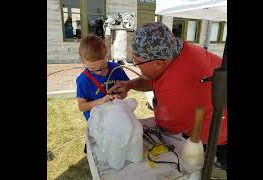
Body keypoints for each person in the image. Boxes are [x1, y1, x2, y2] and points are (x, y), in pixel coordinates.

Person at [108, 22, 227, 171]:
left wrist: (157, 105)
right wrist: (129, 85)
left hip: (218, 131)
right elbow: (153, 80)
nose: (136, 65)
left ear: (158, 63)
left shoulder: (176, 87)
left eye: (137, 62)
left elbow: (167, 127)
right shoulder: (175, 50)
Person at [76, 34, 130, 153]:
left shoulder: (116, 69)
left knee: (117, 145)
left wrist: (119, 97)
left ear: (107, 56)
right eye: (94, 69)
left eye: (103, 66)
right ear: (83, 62)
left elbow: (125, 92)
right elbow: (82, 106)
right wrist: (100, 101)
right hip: (97, 123)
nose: (100, 72)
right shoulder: (83, 80)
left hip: (115, 118)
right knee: (97, 148)